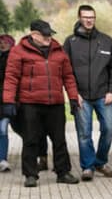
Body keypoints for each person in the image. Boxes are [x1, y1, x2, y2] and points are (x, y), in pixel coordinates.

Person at [2, 20, 81, 187]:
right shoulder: (18, 52)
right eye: (45, 35)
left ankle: (63, 172)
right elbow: (11, 78)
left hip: (55, 103)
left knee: (59, 139)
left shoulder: (59, 52)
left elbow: (68, 77)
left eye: (50, 34)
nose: (48, 38)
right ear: (34, 35)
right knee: (30, 139)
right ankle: (31, 175)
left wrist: (73, 98)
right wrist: (8, 101)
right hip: (30, 103)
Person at [63, 4, 112, 181]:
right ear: (79, 18)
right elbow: (66, 71)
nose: (89, 20)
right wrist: (74, 94)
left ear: (95, 19)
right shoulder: (70, 42)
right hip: (81, 97)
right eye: (86, 17)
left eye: (92, 17)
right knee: (84, 134)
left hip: (104, 95)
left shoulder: (106, 41)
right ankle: (87, 167)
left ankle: (100, 161)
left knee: (109, 128)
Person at [0, 33, 17, 172]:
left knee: (3, 129)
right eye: (1, 42)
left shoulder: (15, 58)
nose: (2, 44)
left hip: (8, 101)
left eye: (5, 42)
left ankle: (3, 159)